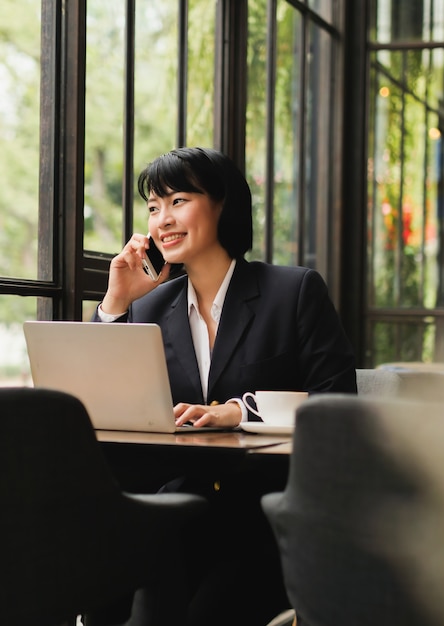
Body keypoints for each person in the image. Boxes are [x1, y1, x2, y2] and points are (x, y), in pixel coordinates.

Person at [90, 146, 357, 626]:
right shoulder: (149, 309)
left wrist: (243, 410)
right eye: (153, 207)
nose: (162, 220)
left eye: (177, 201)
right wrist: (114, 304)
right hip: (176, 515)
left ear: (223, 204)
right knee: (105, 601)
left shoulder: (293, 292)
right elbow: (104, 408)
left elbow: (339, 407)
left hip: (267, 518)